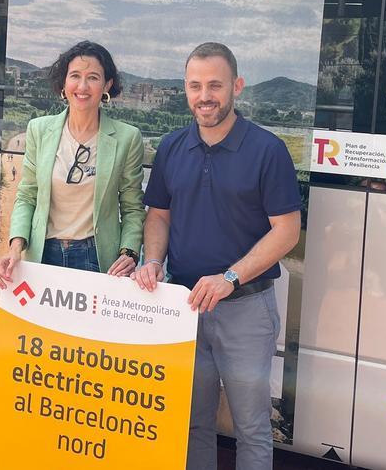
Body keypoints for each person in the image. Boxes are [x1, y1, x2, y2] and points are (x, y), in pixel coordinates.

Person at [132, 42, 301, 470]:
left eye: (214, 85)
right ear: (185, 90)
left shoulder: (267, 150)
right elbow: (159, 216)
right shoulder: (172, 146)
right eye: (195, 85)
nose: (204, 95)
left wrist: (229, 277)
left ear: (236, 87)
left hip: (245, 310)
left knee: (251, 429)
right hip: (184, 308)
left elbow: (287, 232)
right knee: (191, 424)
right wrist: (152, 261)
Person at [0, 41, 145, 288]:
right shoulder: (39, 130)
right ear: (64, 83)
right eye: (75, 76)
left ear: (107, 85)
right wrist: (16, 245)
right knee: (38, 327)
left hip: (96, 258)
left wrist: (129, 253)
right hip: (44, 253)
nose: (82, 86)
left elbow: (132, 207)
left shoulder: (127, 138)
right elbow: (27, 195)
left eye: (93, 78)